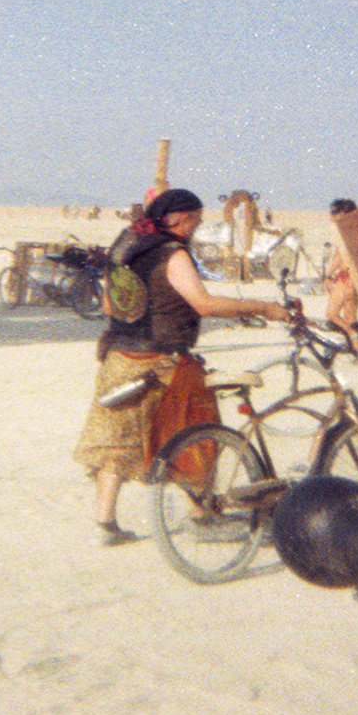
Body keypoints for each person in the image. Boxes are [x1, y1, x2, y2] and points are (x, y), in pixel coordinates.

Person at [73, 187, 294, 546]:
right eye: (197, 220)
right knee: (198, 432)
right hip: (164, 363)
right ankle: (200, 515)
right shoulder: (173, 255)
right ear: (181, 219)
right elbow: (204, 304)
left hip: (119, 358)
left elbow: (110, 307)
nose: (197, 228)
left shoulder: (125, 247)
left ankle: (106, 525)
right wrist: (263, 308)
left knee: (115, 440)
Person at [321, 196, 358, 340]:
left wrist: (328, 275)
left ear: (343, 213)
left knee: (334, 314)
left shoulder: (348, 231)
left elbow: (342, 255)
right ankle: (357, 347)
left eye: (334, 212)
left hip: (348, 277)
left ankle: (356, 338)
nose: (330, 215)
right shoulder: (353, 228)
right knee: (349, 317)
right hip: (347, 276)